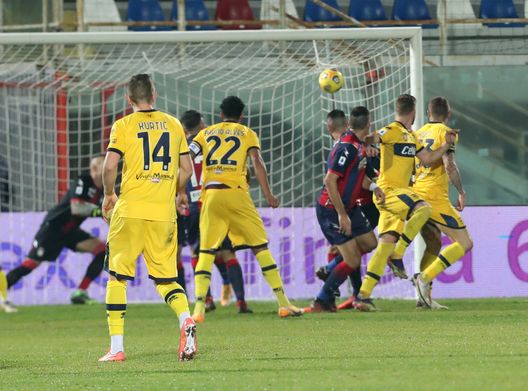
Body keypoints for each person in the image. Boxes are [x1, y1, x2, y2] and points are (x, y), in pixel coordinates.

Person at [99, 74, 196, 362]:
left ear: (128, 99)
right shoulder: (173, 123)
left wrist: (108, 195)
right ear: (153, 94)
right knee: (167, 279)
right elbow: (188, 170)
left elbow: (109, 166)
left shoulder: (124, 125)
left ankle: (117, 348)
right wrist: (176, 191)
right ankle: (186, 320)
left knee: (118, 277)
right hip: (163, 215)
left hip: (130, 211)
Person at [188, 96, 303, 323]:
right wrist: (269, 194)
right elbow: (257, 162)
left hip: (211, 195)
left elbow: (187, 157)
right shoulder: (247, 133)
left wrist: (179, 189)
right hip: (237, 194)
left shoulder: (204, 133)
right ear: (241, 116)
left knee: (206, 252)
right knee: (260, 246)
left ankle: (198, 310)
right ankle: (283, 304)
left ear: (221, 115)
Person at [355, 94, 457, 311]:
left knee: (385, 243)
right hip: (390, 191)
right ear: (414, 111)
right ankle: (398, 255)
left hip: (396, 197)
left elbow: (428, 158)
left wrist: (445, 146)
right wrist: (368, 146)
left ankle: (363, 296)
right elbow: (370, 138)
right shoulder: (392, 129)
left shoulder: (412, 135)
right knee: (424, 209)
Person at [4, 156, 107, 306]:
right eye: (104, 167)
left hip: (70, 231)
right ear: (94, 169)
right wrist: (101, 212)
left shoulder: (103, 189)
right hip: (53, 228)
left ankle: (80, 293)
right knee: (30, 264)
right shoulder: (83, 181)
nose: (109, 171)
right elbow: (77, 208)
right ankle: (2, 292)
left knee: (102, 250)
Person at [308, 109, 383, 312]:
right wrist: (342, 215)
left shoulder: (358, 145)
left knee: (370, 243)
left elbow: (358, 176)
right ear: (369, 123)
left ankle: (329, 269)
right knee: (352, 259)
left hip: (350, 208)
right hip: (331, 209)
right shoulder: (347, 148)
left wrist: (375, 188)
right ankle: (321, 300)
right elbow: (330, 181)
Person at [178, 109, 251, 313]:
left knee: (198, 252)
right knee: (227, 252)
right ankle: (241, 302)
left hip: (194, 206)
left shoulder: (182, 149)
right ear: (202, 124)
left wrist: (179, 193)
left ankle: (206, 300)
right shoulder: (212, 143)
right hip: (215, 200)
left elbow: (179, 173)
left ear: (184, 128)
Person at [412, 97, 473, 309]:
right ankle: (424, 278)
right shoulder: (447, 133)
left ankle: (423, 298)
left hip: (415, 197)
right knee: (465, 243)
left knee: (434, 243)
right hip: (434, 198)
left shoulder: (417, 133)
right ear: (449, 113)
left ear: (428, 112)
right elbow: (449, 165)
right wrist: (461, 191)